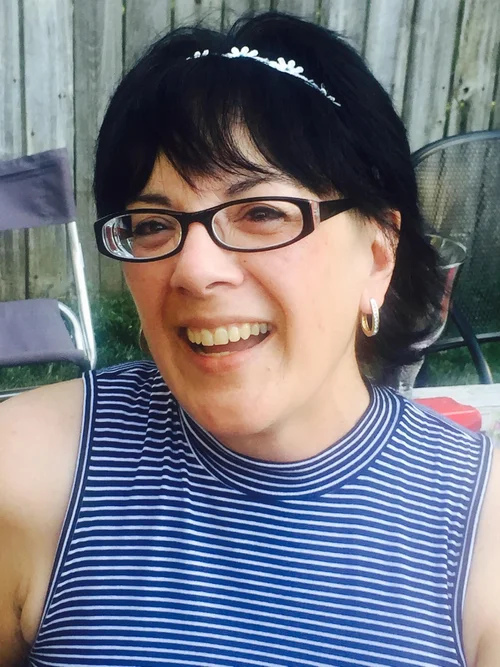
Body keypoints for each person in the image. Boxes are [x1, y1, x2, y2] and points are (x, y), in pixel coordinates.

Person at [0, 11, 498, 667]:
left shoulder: (482, 534)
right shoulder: (28, 469)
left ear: (379, 254)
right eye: (151, 224)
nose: (193, 269)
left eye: (262, 212)